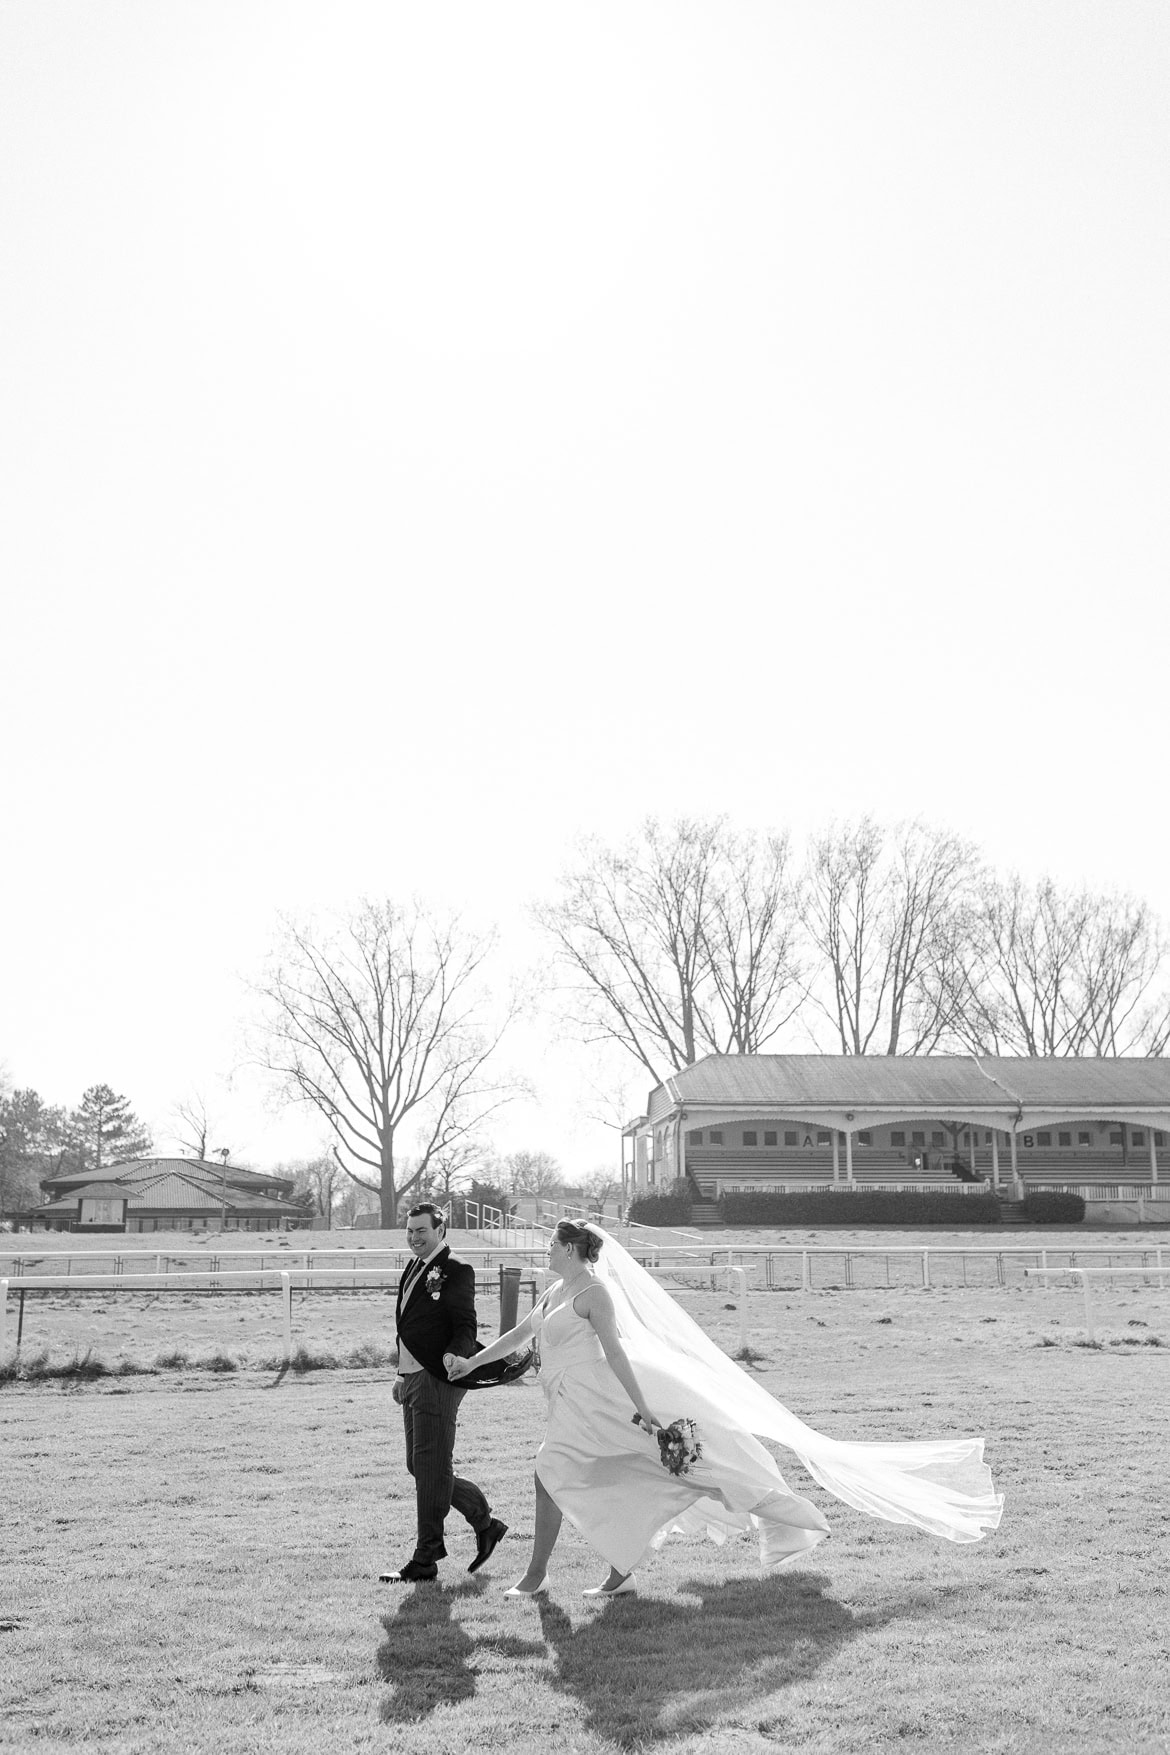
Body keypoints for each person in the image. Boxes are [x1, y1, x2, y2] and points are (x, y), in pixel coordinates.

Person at [446, 1220, 1003, 1599]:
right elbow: (520, 1334)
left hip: (601, 1401)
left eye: (551, 1246)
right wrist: (471, 1365)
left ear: (570, 1249)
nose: (545, 1253)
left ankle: (543, 1574)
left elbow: (616, 1353)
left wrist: (644, 1411)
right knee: (582, 1476)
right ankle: (613, 1569)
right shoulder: (554, 1293)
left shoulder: (594, 1294)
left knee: (584, 1473)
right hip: (568, 1404)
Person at [380, 1202, 507, 1584]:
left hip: (439, 1379)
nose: (414, 1237)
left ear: (440, 1231)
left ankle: (426, 1558)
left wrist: (455, 1353)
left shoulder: (455, 1270)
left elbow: (465, 1325)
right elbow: (411, 1327)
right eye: (410, 1230)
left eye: (422, 1230)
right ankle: (484, 1523)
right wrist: (402, 1374)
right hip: (413, 1378)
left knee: (430, 1465)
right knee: (420, 1466)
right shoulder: (414, 1268)